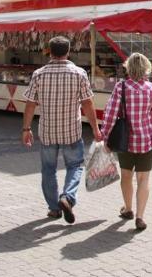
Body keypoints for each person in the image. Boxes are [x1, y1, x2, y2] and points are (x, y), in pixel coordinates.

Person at [21, 36, 101, 223]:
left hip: (48, 131)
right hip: (71, 130)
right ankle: (68, 197)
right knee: (75, 166)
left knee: (48, 170)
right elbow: (88, 104)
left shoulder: (39, 74)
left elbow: (30, 104)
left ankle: (54, 209)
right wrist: (96, 128)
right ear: (68, 51)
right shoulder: (79, 73)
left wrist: (26, 128)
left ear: (49, 51)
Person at [100, 52, 152, 232]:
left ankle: (128, 208)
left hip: (124, 140)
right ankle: (140, 216)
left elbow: (110, 114)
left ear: (128, 68)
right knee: (143, 178)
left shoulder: (120, 88)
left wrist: (106, 136)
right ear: (146, 68)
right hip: (146, 139)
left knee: (126, 175)